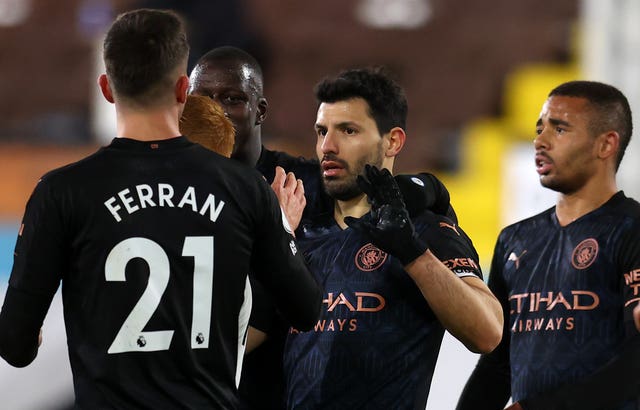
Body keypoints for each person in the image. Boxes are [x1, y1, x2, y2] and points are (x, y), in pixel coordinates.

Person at [0, 9, 322, 409]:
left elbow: (14, 345)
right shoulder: (245, 189)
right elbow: (307, 311)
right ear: (184, 89)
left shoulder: (61, 192)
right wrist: (281, 231)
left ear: (106, 87)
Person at [188, 46, 458, 409]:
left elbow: (398, 188)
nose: (215, 111)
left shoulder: (301, 183)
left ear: (260, 110)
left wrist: (421, 189)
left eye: (232, 98)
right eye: (201, 99)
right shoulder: (159, 192)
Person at [281, 67, 503, 409]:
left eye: (348, 130)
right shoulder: (302, 231)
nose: (327, 146)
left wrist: (412, 252)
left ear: (393, 141)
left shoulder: (425, 231)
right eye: (321, 131)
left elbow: (488, 332)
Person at [456, 80, 640, 410]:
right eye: (540, 128)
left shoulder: (632, 229)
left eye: (560, 129)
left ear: (605, 144)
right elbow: (498, 364)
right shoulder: (514, 240)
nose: (540, 141)